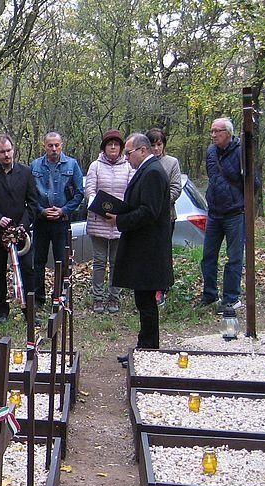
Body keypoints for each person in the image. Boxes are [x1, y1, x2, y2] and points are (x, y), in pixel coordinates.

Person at [106, 134, 173, 364]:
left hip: (149, 250)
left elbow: (149, 211)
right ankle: (145, 346)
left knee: (146, 304)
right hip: (143, 249)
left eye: (129, 152)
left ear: (143, 150)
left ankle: (148, 350)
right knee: (143, 302)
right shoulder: (147, 171)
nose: (126, 157)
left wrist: (120, 220)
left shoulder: (153, 173)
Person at [0, 135, 40, 323]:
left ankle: (28, 310)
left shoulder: (26, 172)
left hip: (21, 233)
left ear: (14, 150)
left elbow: (33, 203)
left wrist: (23, 224)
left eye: (9, 150)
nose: (6, 155)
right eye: (2, 151)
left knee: (28, 270)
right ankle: (2, 310)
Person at [198, 117, 257, 313]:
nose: (214, 135)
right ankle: (210, 294)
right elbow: (213, 177)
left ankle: (231, 298)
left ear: (228, 133)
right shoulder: (210, 152)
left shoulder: (241, 152)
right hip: (214, 212)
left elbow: (253, 183)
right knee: (208, 256)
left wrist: (237, 199)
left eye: (218, 131)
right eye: (211, 131)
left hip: (234, 213)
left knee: (234, 257)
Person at [30, 132, 85, 311]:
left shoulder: (72, 164)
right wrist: (41, 210)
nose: (54, 149)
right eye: (50, 145)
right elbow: (30, 194)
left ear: (62, 145)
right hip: (41, 221)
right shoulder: (35, 166)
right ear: (44, 146)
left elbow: (79, 194)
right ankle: (39, 298)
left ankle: (60, 297)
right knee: (38, 260)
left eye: (57, 145)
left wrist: (63, 210)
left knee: (62, 259)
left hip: (62, 220)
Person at [84, 128, 133, 314]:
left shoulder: (128, 167)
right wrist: (97, 206)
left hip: (119, 222)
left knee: (116, 262)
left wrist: (121, 215)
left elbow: (130, 194)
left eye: (116, 144)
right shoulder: (95, 166)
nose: (113, 147)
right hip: (99, 221)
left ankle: (114, 296)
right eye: (109, 144)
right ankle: (98, 297)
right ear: (104, 147)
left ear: (121, 147)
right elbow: (90, 190)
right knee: (99, 261)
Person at [147, 127, 182, 306]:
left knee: (163, 253)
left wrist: (159, 203)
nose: (156, 149)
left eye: (159, 144)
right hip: (146, 218)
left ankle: (162, 288)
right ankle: (147, 286)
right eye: (152, 145)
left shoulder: (171, 162)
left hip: (166, 216)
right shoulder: (142, 163)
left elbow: (176, 187)